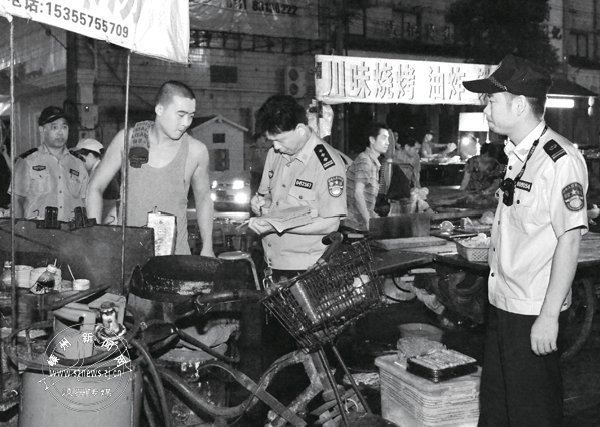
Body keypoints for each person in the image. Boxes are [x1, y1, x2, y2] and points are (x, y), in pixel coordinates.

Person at [463, 54, 589, 426]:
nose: (486, 109)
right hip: (502, 302)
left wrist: (549, 317)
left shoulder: (559, 160)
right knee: (498, 410)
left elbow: (569, 241)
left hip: (533, 310)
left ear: (519, 105)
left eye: (491, 101)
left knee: (533, 413)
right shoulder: (518, 155)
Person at [87, 81, 214, 256]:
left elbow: (204, 199)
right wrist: (93, 235)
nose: (186, 123)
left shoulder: (196, 151)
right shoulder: (128, 140)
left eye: (191, 116)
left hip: (175, 258)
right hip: (128, 256)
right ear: (159, 109)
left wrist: (207, 246)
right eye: (181, 115)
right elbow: (95, 186)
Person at [249, 94, 347, 281]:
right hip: (271, 262)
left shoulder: (327, 164)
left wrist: (278, 226)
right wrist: (261, 204)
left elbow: (330, 223)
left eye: (280, 140)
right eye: (271, 140)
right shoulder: (274, 155)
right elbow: (269, 198)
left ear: (301, 130)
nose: (276, 147)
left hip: (308, 269)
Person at [12, 106, 89, 222]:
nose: (60, 132)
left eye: (64, 127)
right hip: (38, 230)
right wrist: (20, 229)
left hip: (72, 230)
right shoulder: (27, 162)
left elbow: (85, 200)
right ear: (42, 130)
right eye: (54, 127)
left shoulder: (78, 163)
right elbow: (17, 200)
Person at [343, 122, 390, 232]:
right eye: (384, 138)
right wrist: (368, 221)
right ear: (372, 140)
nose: (387, 142)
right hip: (354, 225)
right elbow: (358, 193)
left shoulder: (372, 162)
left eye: (388, 139)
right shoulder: (365, 160)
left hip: (360, 224)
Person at [71, 138, 120, 224]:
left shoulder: (101, 174)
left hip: (106, 224)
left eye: (80, 158)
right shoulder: (96, 171)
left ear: (90, 156)